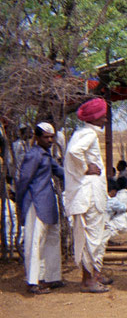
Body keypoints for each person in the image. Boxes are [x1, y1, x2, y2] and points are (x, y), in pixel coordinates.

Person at [64, 97, 112, 293]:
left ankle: (94, 274)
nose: (106, 120)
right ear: (96, 117)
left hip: (91, 195)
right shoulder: (88, 135)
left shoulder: (84, 133)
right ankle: (88, 280)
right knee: (89, 238)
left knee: (95, 236)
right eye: (103, 116)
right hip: (88, 196)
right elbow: (74, 152)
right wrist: (85, 168)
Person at [16, 122, 65, 295]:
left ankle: (51, 277)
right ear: (37, 138)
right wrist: (20, 203)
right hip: (36, 203)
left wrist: (79, 173)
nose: (50, 140)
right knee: (34, 242)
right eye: (46, 137)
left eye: (52, 137)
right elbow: (23, 181)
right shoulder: (34, 155)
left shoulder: (45, 155)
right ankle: (32, 282)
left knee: (52, 239)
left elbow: (60, 171)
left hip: (48, 203)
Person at [101, 176, 127, 247]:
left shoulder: (101, 198)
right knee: (125, 216)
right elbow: (125, 208)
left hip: (99, 223)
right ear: (112, 190)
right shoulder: (112, 201)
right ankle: (105, 237)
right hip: (105, 224)